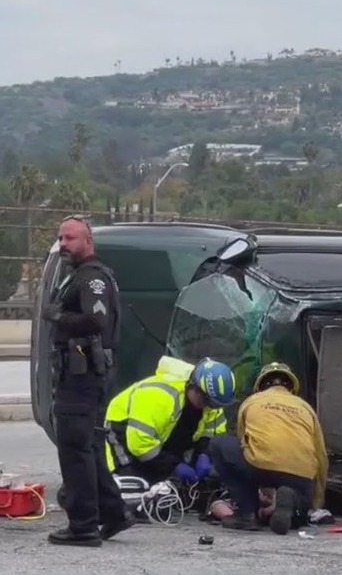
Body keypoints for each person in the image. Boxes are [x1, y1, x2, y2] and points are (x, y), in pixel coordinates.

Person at [40, 215, 135, 547]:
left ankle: (83, 526)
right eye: (60, 238)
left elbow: (95, 320)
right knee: (90, 447)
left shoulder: (91, 277)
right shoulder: (77, 276)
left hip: (81, 379)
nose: (63, 244)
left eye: (70, 238)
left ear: (87, 240)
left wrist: (58, 316)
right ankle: (113, 513)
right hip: (81, 376)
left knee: (74, 449)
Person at [210, 362, 328, 535]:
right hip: (301, 473)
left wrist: (260, 487)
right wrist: (316, 500)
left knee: (219, 444)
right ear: (291, 387)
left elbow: (245, 443)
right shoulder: (306, 408)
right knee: (298, 496)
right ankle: (294, 502)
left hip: (261, 466)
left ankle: (247, 515)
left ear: (261, 386)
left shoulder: (252, 402)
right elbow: (321, 455)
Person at [104, 355, 235, 486]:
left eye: (215, 405)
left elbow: (215, 433)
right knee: (134, 485)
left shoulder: (212, 402)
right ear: (195, 389)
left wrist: (204, 454)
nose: (210, 408)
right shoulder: (159, 397)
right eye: (208, 402)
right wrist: (174, 466)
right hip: (124, 432)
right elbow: (140, 444)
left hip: (161, 440)